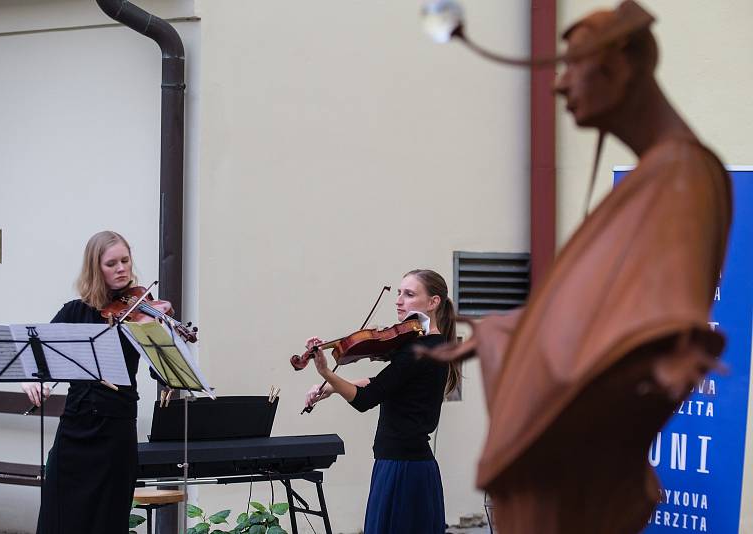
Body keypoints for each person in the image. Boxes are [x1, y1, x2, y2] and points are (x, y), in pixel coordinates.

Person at [425, 2, 731, 533]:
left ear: (621, 65)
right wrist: (504, 331)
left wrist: (667, 349)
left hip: (577, 484)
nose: (559, 86)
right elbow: (598, 314)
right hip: (558, 480)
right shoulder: (655, 179)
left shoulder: (680, 175)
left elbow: (664, 325)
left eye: (573, 66)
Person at [22, 230, 171, 534]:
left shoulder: (143, 312)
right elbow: (41, 359)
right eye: (111, 263)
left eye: (126, 260)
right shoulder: (74, 311)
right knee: (57, 521)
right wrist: (37, 382)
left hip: (115, 434)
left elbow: (164, 376)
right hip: (74, 433)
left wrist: (159, 334)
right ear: (95, 268)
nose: (121, 268)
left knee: (107, 522)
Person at [304, 269, 459, 534]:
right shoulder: (430, 345)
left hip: (403, 469)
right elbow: (385, 384)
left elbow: (366, 399)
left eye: (409, 294)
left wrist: (325, 373)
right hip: (407, 464)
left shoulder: (417, 351)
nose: (399, 300)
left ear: (433, 302)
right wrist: (330, 388)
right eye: (398, 293)